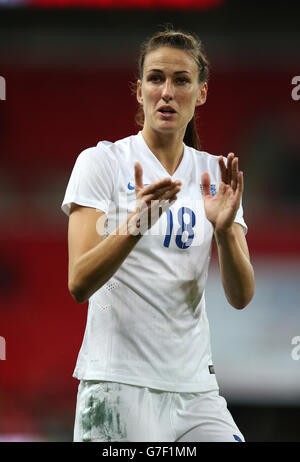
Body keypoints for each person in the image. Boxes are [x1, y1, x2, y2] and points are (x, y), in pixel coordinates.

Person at [61, 27, 255, 442]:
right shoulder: (102, 163)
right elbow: (79, 282)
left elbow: (241, 297)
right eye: (155, 78)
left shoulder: (216, 175)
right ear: (139, 90)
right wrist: (136, 225)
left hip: (196, 391)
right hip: (117, 385)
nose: (167, 91)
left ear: (201, 93)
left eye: (181, 80)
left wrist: (224, 231)